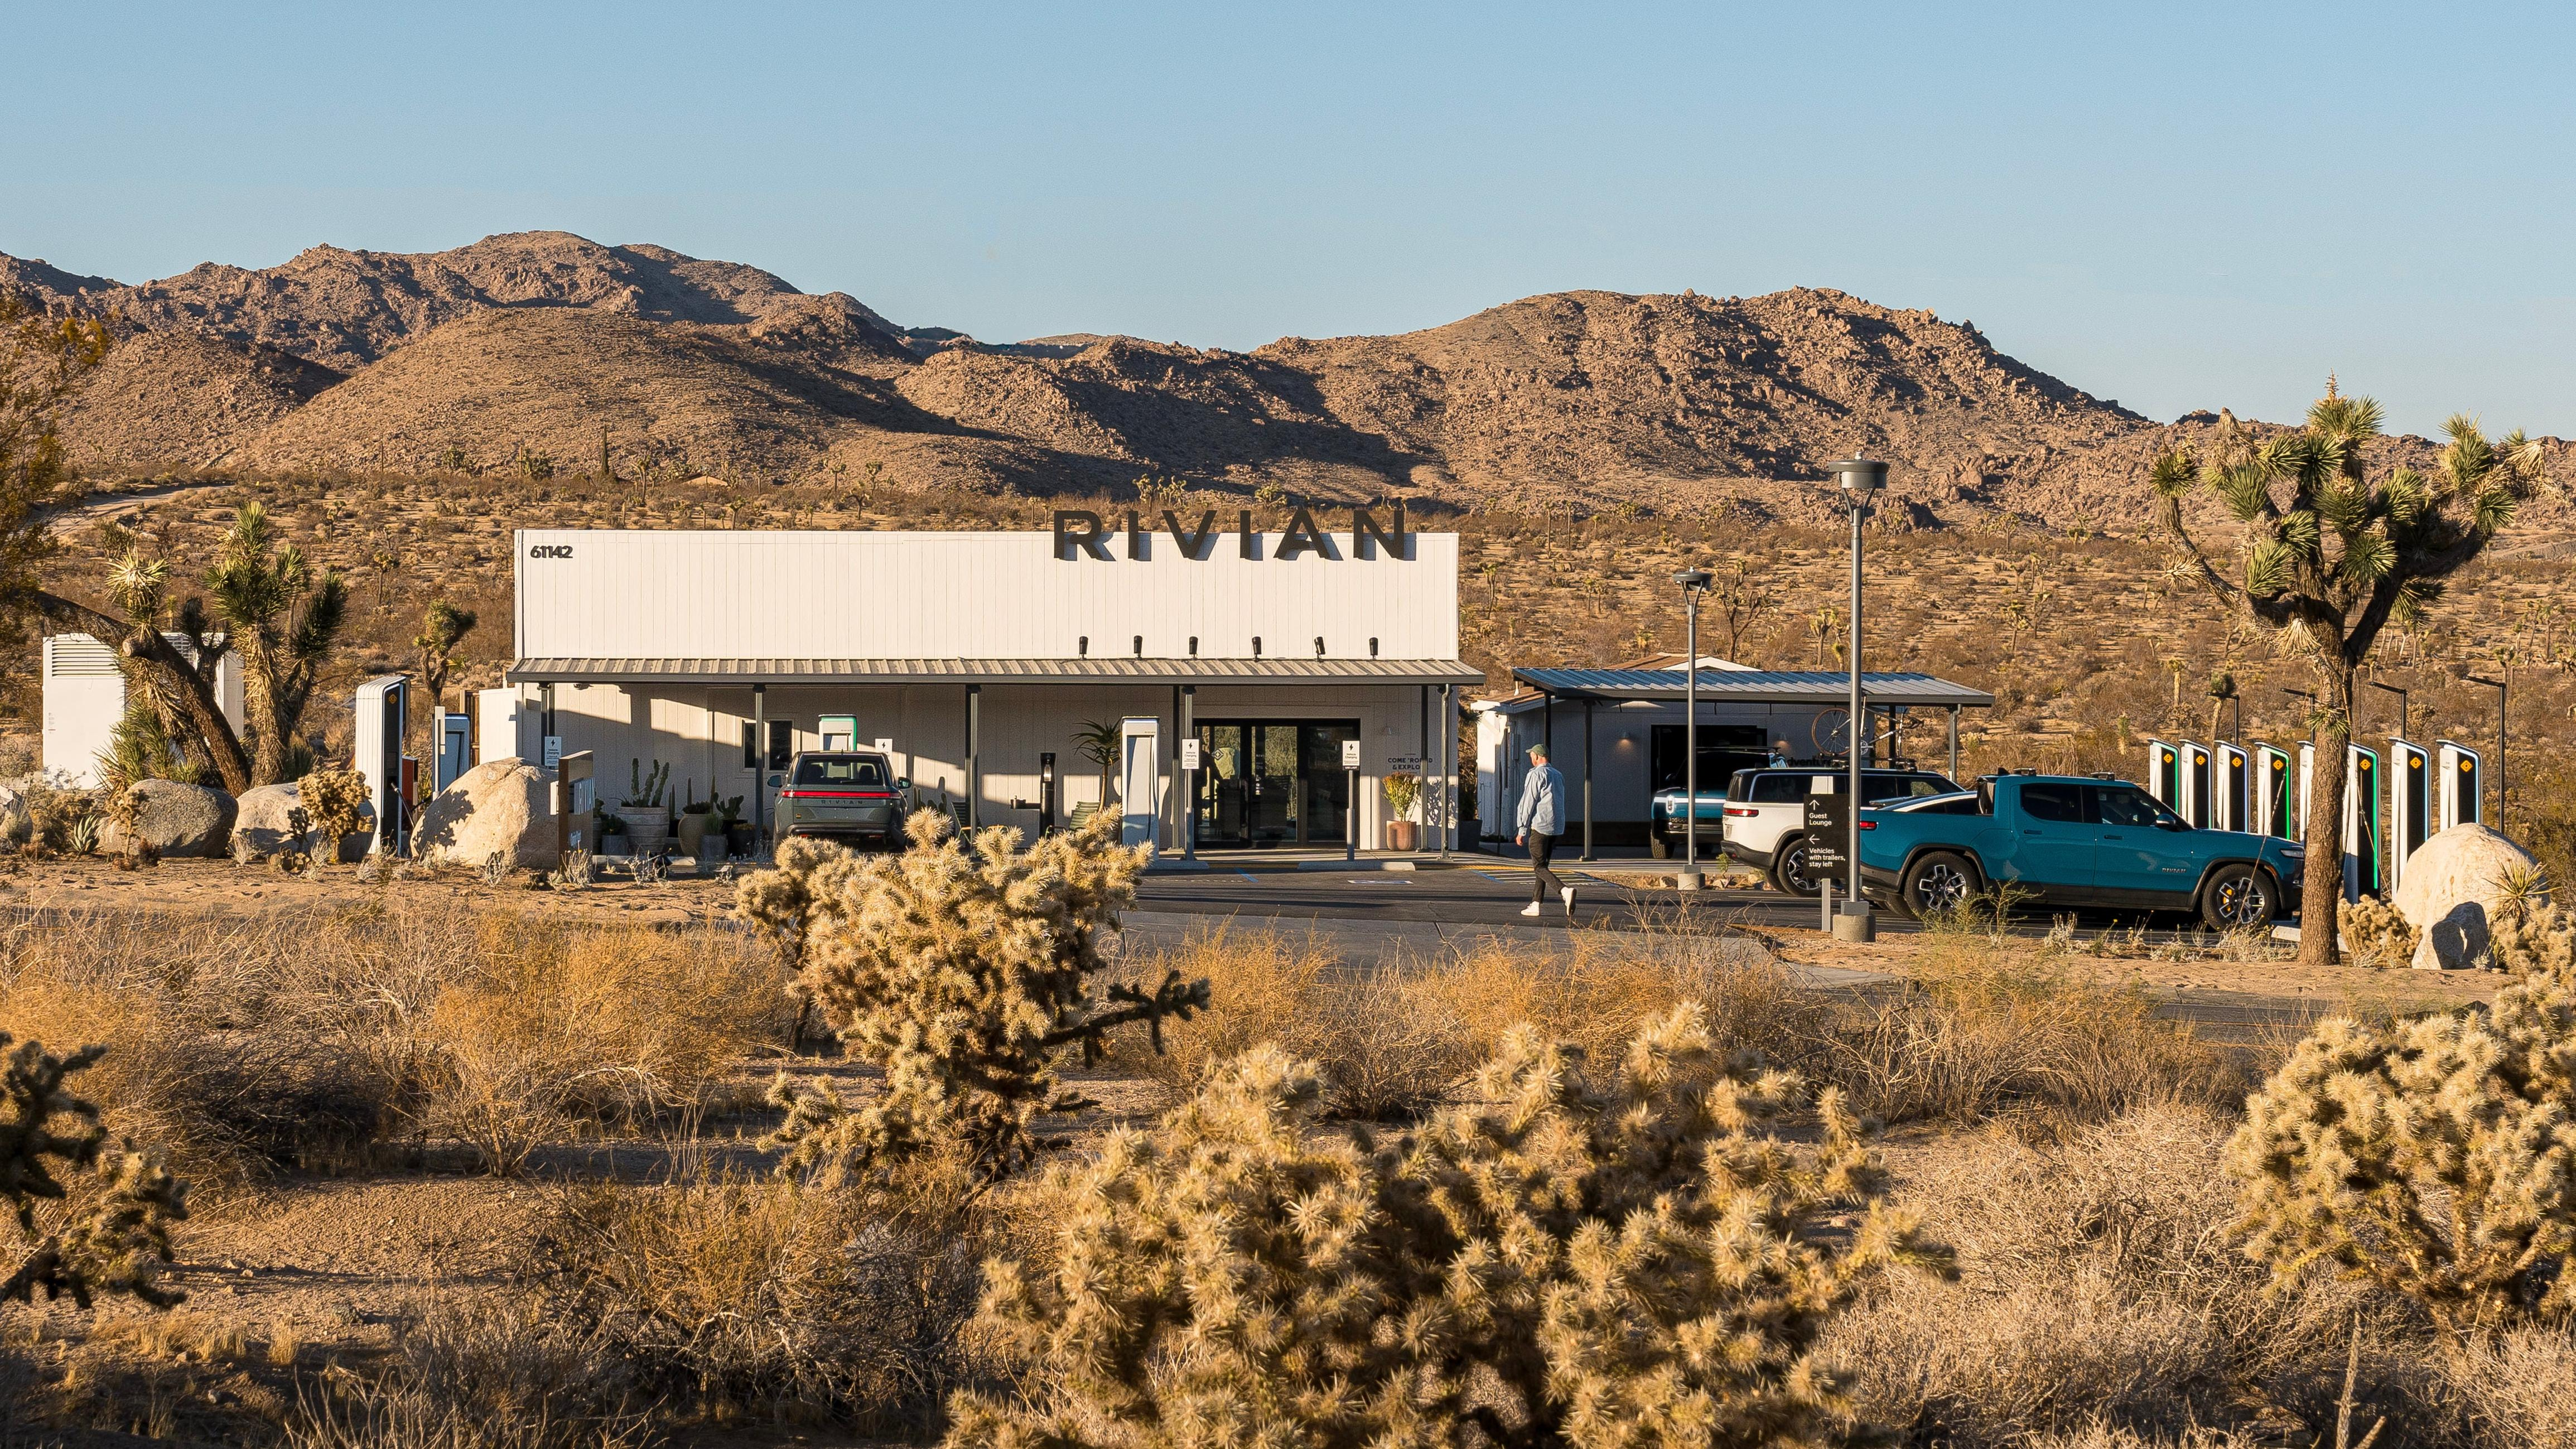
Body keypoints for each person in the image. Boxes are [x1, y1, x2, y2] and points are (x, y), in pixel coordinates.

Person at [1514, 742, 1574, 917]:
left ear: (1537, 757)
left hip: (1540, 826)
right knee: (1543, 866)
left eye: (1531, 756)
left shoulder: (1537, 774)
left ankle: (1565, 891)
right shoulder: (1558, 775)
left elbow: (1528, 802)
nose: (1531, 759)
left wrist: (1522, 829)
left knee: (1539, 867)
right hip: (1556, 827)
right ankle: (1536, 903)